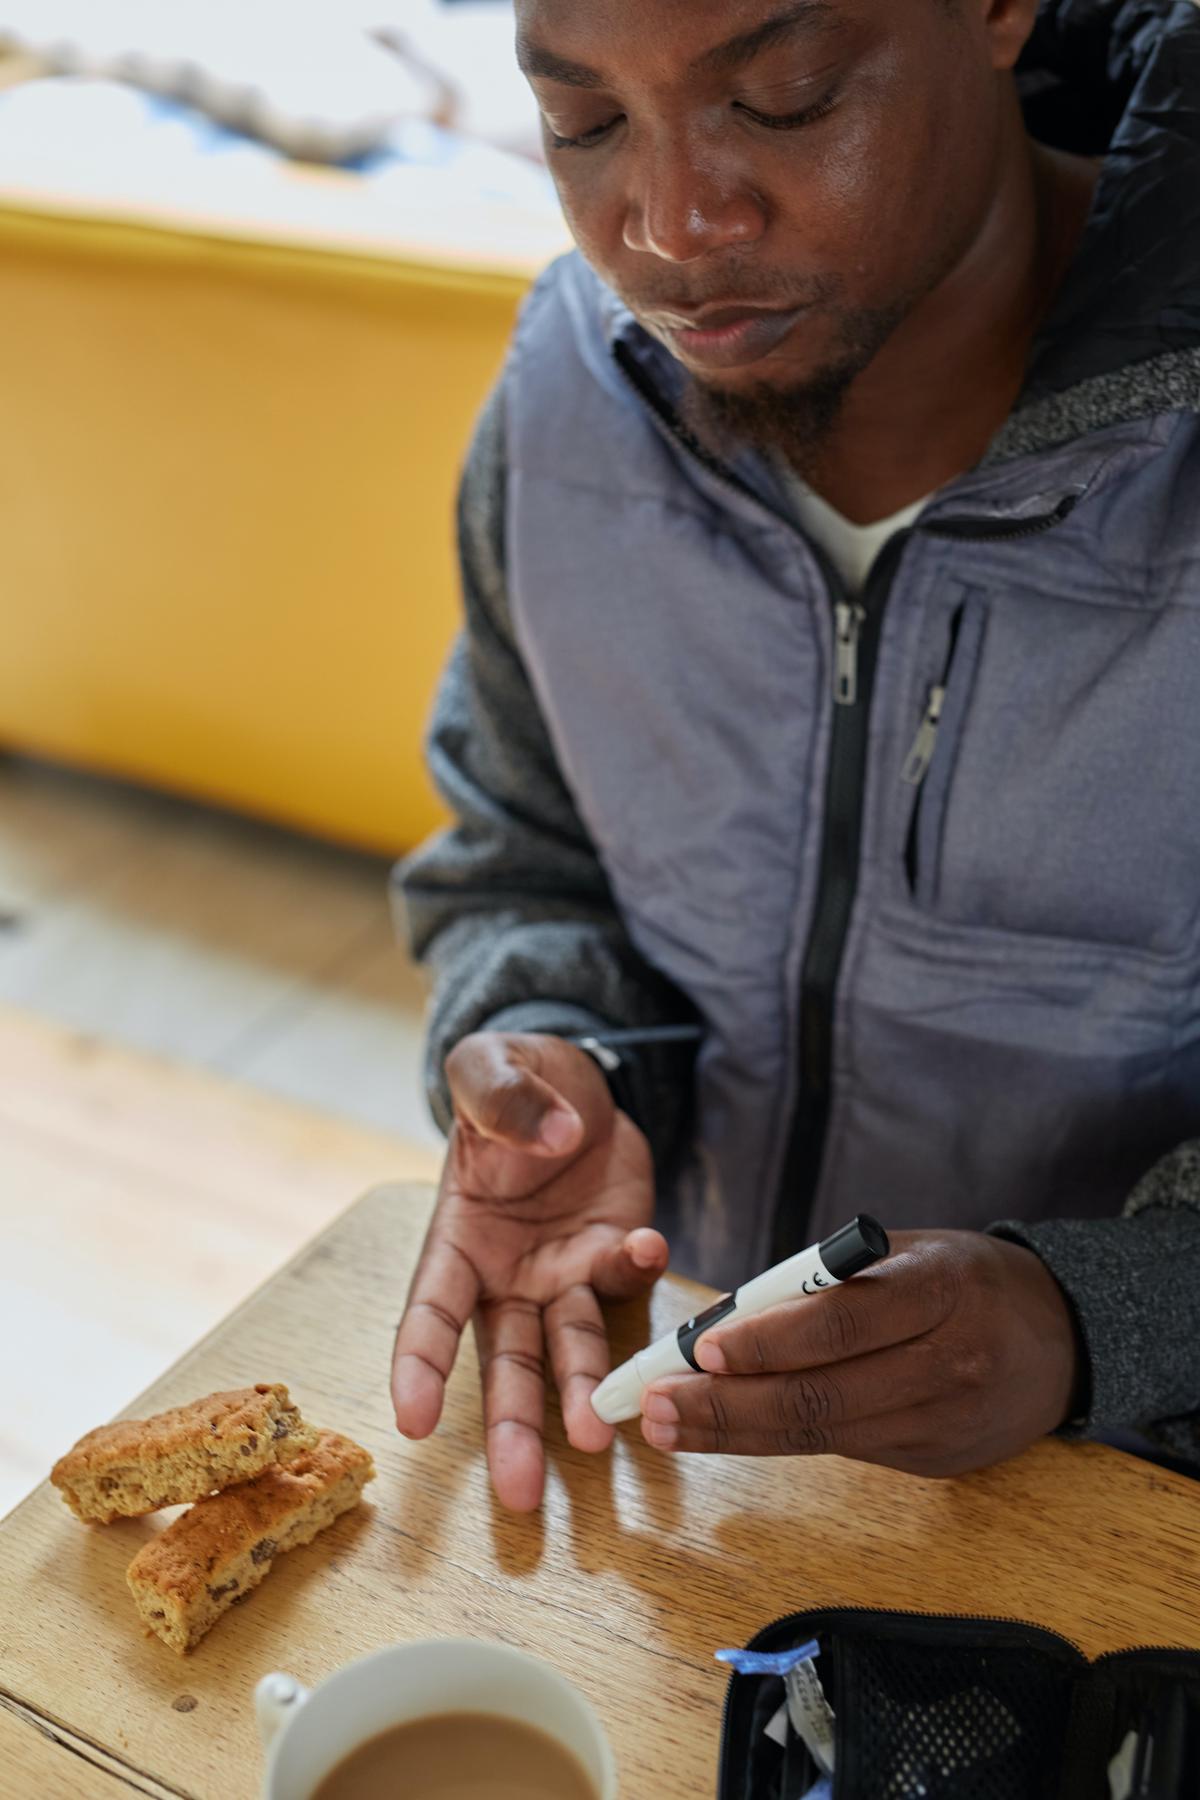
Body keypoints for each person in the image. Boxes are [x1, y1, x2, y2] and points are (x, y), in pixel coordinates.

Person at [389, 0, 1200, 1513]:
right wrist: (565, 1056)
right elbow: (522, 854)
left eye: (783, 98)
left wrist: (1092, 1320)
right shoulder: (565, 395)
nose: (673, 227)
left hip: (1131, 1516)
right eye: (584, 124)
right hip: (697, 1462)